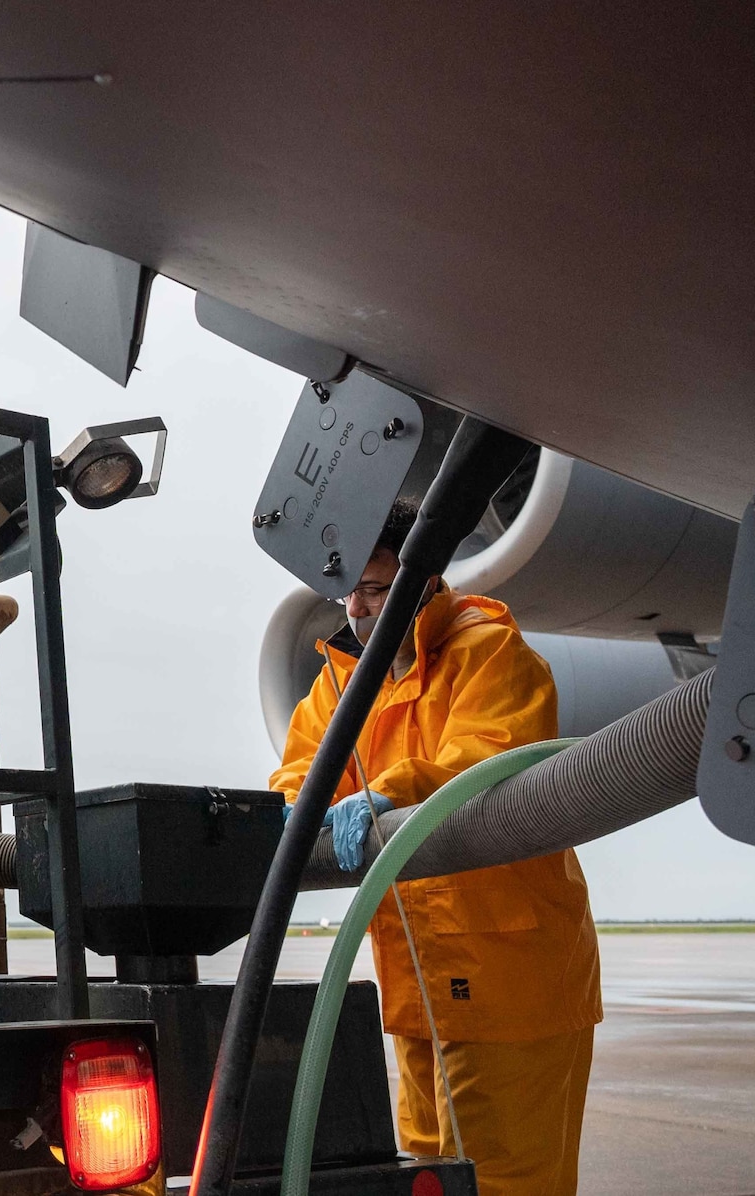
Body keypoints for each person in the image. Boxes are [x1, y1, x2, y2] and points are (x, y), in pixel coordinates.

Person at [271, 498, 601, 1196]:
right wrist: (295, 807)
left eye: (376, 588)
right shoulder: (340, 682)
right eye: (351, 592)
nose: (359, 608)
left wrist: (393, 791)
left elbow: (489, 753)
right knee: (427, 1171)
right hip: (418, 975)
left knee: (508, 1178)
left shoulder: (489, 652)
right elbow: (301, 768)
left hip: (509, 977)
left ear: (422, 580)